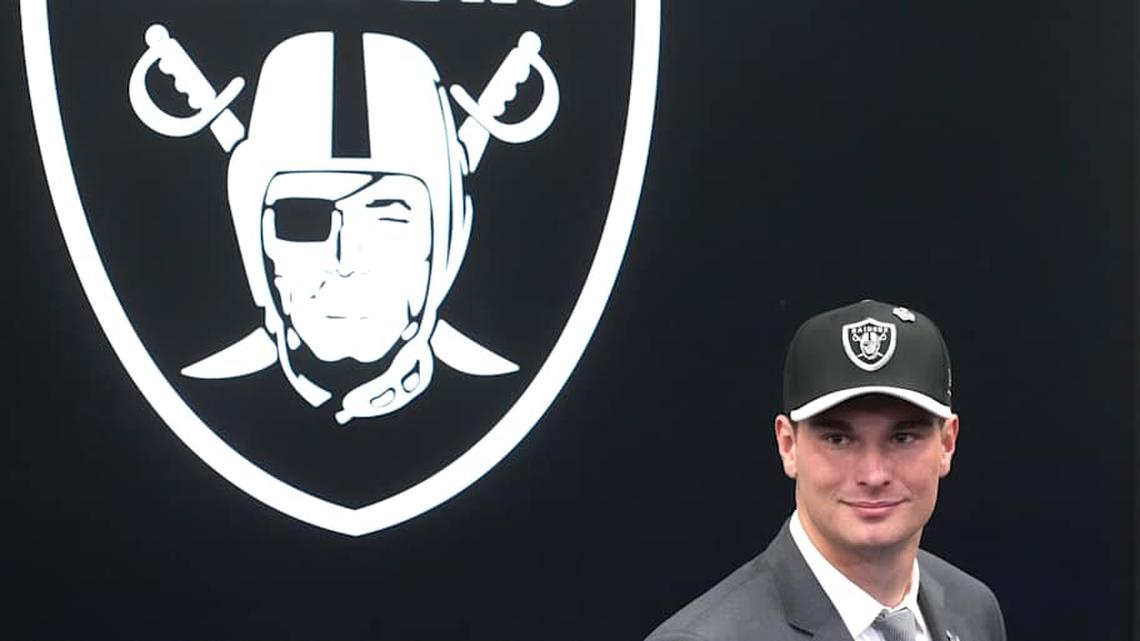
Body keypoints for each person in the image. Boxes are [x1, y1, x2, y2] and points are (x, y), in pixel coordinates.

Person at [646, 300, 1006, 641]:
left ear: (947, 443)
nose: (874, 474)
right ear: (788, 445)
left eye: (902, 437)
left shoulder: (972, 608)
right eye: (838, 439)